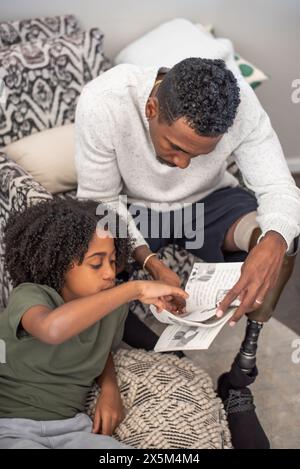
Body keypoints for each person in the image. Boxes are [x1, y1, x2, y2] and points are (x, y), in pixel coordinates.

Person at [74, 57, 300, 448]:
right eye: (175, 147)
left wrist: (273, 241)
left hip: (211, 204)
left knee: (283, 241)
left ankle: (239, 378)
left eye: (197, 154)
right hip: (134, 209)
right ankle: (168, 357)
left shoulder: (239, 104)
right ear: (151, 108)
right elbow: (102, 200)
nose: (181, 165)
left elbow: (280, 189)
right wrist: (149, 261)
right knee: (88, 256)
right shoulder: (103, 101)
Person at [0, 198, 187, 449]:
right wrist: (135, 288)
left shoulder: (112, 308)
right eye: (96, 263)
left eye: (112, 260)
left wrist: (110, 390)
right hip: (11, 429)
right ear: (58, 262)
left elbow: (100, 349)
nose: (110, 273)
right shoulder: (32, 296)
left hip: (74, 429)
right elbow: (52, 330)